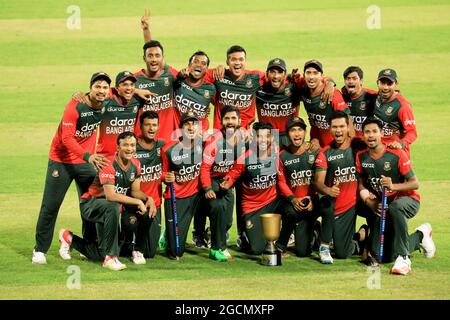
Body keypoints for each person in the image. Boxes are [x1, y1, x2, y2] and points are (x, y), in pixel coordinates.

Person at [32, 72, 111, 264]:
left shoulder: (108, 100)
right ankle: (40, 250)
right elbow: (67, 139)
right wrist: (88, 156)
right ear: (90, 88)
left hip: (85, 163)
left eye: (105, 87)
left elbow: (126, 90)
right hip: (62, 161)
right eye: (97, 86)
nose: (101, 90)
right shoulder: (74, 106)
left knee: (91, 205)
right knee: (50, 206)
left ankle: (88, 246)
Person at [58, 131, 157, 271]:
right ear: (118, 147)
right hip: (91, 205)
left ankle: (68, 238)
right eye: (126, 145)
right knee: (113, 205)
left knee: (99, 253)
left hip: (109, 210)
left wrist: (148, 199)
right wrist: (137, 202)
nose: (130, 149)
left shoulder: (136, 164)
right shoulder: (108, 163)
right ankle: (110, 258)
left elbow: (135, 191)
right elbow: (110, 196)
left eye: (133, 145)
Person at [356, 117, 435, 275]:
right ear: (363, 135)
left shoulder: (396, 154)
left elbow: (414, 183)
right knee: (385, 256)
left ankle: (404, 257)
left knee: (395, 207)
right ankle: (421, 236)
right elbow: (362, 184)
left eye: (374, 132)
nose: (371, 135)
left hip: (407, 201)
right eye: (367, 132)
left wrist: (393, 186)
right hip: (384, 206)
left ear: (381, 134)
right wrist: (369, 202)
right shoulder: (361, 156)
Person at [220, 122, 295, 255]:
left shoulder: (275, 154)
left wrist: (293, 198)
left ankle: (280, 245)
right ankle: (245, 234)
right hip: (252, 207)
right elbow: (234, 174)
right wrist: (228, 181)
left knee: (293, 211)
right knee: (257, 250)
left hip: (273, 201)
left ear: (272, 138)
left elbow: (281, 181)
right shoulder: (245, 158)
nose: (263, 140)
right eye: (259, 136)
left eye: (267, 136)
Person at [314, 111, 363, 264]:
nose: (338, 130)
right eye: (334, 127)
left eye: (342, 126)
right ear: (330, 129)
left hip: (356, 204)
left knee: (341, 253)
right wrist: (328, 190)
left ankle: (368, 234)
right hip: (336, 207)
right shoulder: (325, 153)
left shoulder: (359, 146)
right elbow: (317, 182)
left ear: (349, 128)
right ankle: (359, 237)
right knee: (342, 252)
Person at [200, 106, 246, 261]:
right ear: (221, 121)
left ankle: (214, 236)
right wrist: (207, 187)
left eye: (233, 118)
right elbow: (205, 168)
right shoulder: (214, 140)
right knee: (218, 208)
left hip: (226, 181)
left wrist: (230, 179)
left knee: (227, 221)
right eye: (227, 118)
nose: (230, 122)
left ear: (240, 121)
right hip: (211, 180)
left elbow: (239, 167)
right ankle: (218, 248)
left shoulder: (241, 141)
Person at [119, 111, 164, 264]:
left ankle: (138, 241)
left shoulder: (162, 146)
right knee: (125, 249)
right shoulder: (132, 148)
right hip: (133, 203)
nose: (151, 128)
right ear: (140, 126)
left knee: (150, 252)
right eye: (147, 125)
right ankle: (123, 239)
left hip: (155, 204)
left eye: (154, 125)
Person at [276, 117, 321, 257]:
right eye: (293, 130)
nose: (297, 134)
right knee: (302, 252)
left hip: (312, 202)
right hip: (294, 203)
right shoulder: (282, 156)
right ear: (287, 134)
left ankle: (319, 231)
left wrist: (314, 199)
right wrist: (293, 199)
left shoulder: (314, 152)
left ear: (305, 132)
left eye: (300, 130)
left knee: (302, 252)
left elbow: (323, 180)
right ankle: (280, 245)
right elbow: (281, 182)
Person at [161, 111, 204, 259]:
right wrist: (165, 177)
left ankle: (215, 241)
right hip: (176, 197)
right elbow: (159, 174)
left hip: (197, 195)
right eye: (187, 124)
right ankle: (168, 235)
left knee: (218, 204)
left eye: (194, 124)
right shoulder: (168, 150)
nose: (191, 128)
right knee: (176, 252)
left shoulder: (204, 144)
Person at [299, 59, 354, 148]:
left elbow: (348, 120)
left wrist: (351, 146)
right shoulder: (302, 89)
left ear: (321, 76)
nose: (311, 76)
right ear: (304, 75)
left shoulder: (333, 94)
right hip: (316, 143)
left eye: (315, 73)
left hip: (334, 146)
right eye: (308, 73)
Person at [133, 40, 178, 143]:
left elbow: (192, 81)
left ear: (162, 58)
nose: (154, 59)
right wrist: (135, 90)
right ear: (144, 58)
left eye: (157, 55)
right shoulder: (135, 79)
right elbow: (116, 90)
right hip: (142, 142)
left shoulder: (170, 76)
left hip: (168, 140)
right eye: (150, 56)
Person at [96, 71, 144, 161]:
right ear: (117, 88)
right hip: (105, 157)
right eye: (125, 84)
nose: (129, 88)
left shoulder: (137, 101)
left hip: (127, 155)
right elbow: (95, 95)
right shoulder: (107, 101)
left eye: (132, 84)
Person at [374, 68, 417, 157]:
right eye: (382, 83)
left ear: (396, 84)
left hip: (395, 154)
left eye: (389, 84)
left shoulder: (403, 106)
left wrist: (401, 143)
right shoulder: (376, 97)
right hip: (378, 151)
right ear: (377, 83)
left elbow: (412, 132)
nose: (385, 87)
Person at [173, 51, 216, 133]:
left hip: (200, 136)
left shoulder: (211, 89)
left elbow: (220, 105)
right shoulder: (178, 82)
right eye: (195, 62)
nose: (199, 65)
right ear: (189, 65)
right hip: (177, 133)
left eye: (203, 63)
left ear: (207, 69)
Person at [341, 66, 377, 139]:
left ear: (361, 81)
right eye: (348, 78)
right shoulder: (341, 97)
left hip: (367, 143)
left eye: (354, 78)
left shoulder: (372, 96)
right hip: (349, 143)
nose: (351, 81)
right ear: (344, 81)